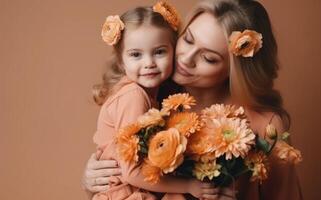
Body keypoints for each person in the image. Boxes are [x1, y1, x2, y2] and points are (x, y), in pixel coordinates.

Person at [82, 0, 303, 199]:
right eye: (187, 40)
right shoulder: (155, 97)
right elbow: (127, 175)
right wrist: (93, 179)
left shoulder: (265, 127)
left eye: (208, 57)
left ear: (234, 70)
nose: (186, 59)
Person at [85, 2, 220, 200]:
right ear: (121, 61)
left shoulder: (154, 95)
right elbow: (131, 172)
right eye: (136, 55)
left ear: (173, 50)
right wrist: (189, 186)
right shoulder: (134, 96)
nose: (149, 63)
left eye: (159, 52)